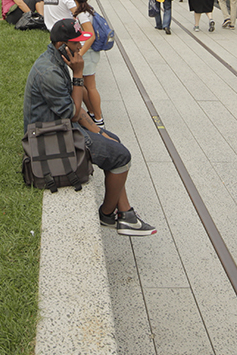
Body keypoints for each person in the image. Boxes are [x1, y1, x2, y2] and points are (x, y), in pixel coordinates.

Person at [23, 20, 157, 236]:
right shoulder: (49, 72)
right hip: (48, 139)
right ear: (61, 45)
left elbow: (77, 112)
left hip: (62, 126)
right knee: (121, 156)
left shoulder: (56, 61)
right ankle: (107, 214)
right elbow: (74, 112)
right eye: (75, 44)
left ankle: (125, 214)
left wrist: (99, 131)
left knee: (113, 141)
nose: (79, 48)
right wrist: (78, 74)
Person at [71, 0, 106, 127]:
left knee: (90, 86)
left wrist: (80, 54)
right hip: (90, 53)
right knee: (87, 85)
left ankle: (98, 118)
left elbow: (90, 35)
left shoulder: (82, 14)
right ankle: (93, 113)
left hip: (88, 53)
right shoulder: (88, 10)